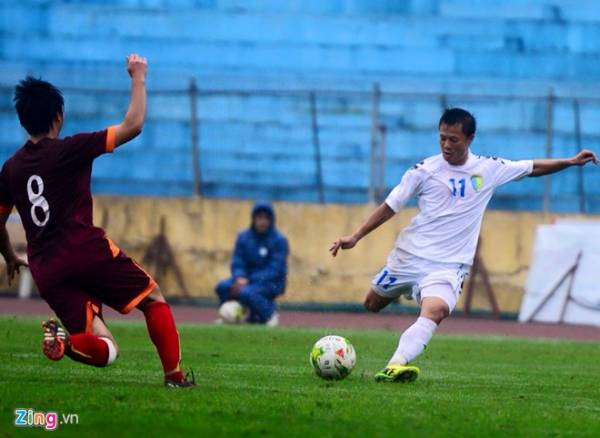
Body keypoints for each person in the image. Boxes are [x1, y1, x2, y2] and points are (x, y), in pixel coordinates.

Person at [330, 108, 598, 383]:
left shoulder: (488, 169)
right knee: (371, 304)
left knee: (436, 310)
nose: (447, 145)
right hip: (409, 257)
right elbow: (390, 207)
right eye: (442, 138)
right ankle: (404, 292)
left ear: (470, 139)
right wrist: (355, 236)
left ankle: (395, 365)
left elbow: (531, 167)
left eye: (454, 140)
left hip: (448, 265)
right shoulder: (424, 171)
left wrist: (570, 161)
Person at [0, 54, 195, 387]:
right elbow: (133, 125)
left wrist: (9, 257)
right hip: (85, 250)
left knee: (106, 347)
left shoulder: (11, 169)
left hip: (47, 270)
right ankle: (174, 377)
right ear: (59, 116)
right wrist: (138, 76)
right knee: (152, 299)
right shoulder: (71, 149)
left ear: (22, 120)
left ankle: (66, 343)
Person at [215, 202, 289, 326]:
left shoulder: (279, 240)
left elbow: (276, 269)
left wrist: (248, 280)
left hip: (272, 282)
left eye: (266, 218)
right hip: (244, 280)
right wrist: (239, 276)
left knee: (247, 292)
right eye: (259, 217)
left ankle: (270, 315)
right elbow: (237, 260)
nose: (262, 221)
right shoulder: (243, 237)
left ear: (271, 220)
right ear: (253, 219)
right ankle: (231, 316)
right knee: (223, 287)